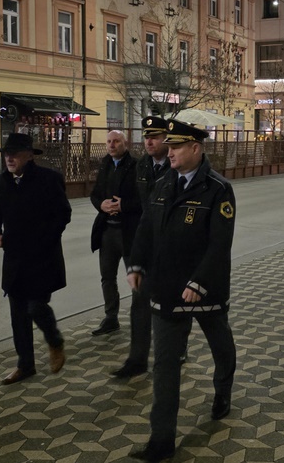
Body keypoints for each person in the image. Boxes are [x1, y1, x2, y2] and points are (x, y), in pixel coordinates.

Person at [127, 119, 237, 462]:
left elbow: (220, 245)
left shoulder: (218, 189)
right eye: (168, 146)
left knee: (221, 346)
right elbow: (146, 227)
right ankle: (161, 440)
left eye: (175, 147)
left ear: (195, 148)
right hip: (166, 287)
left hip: (205, 290)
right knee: (165, 365)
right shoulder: (163, 183)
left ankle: (222, 391)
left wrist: (199, 282)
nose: (168, 151)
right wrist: (136, 264)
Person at [0, 133, 72, 385]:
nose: (9, 158)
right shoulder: (3, 181)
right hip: (14, 259)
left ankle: (55, 341)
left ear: (29, 155)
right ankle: (25, 365)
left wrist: (44, 239)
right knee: (18, 315)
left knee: (36, 306)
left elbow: (63, 215)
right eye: (6, 154)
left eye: (14, 153)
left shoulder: (49, 179)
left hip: (42, 257)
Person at [110, 117, 171, 378]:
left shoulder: (178, 163)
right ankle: (137, 360)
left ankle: (176, 350)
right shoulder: (143, 165)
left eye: (155, 137)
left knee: (172, 302)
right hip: (147, 241)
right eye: (147, 136)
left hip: (172, 244)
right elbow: (145, 210)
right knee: (139, 301)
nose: (149, 141)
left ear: (167, 140)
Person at [90, 130, 141, 337]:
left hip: (129, 232)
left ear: (125, 143)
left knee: (136, 278)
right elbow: (95, 194)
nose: (112, 145)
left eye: (116, 141)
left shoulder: (137, 166)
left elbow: (144, 200)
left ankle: (140, 319)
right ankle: (111, 318)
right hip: (108, 231)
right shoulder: (105, 165)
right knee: (107, 277)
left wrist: (123, 206)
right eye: (109, 142)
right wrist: (100, 205)